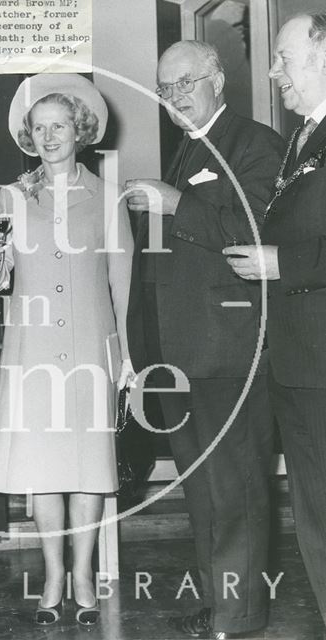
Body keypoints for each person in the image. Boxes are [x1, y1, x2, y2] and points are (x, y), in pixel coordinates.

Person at [126, 41, 284, 638]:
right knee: (201, 490)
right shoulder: (188, 149)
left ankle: (239, 617)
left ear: (218, 80)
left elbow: (254, 228)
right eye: (164, 89)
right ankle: (220, 601)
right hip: (182, 353)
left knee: (236, 488)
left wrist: (174, 202)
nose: (174, 98)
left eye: (185, 83)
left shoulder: (256, 143)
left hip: (231, 348)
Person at [0, 73, 134, 627]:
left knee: (89, 468)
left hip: (92, 347)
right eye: (39, 127)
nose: (49, 136)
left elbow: (123, 284)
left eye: (59, 126)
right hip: (34, 350)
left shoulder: (108, 198)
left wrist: (127, 358)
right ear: (29, 135)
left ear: (80, 131)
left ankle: (85, 576)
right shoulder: (10, 196)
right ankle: (51, 575)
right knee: (43, 468)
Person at [225, 12, 326, 634]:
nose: (271, 71)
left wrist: (279, 262)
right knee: (314, 515)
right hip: (298, 362)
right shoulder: (303, 137)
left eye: (284, 59)